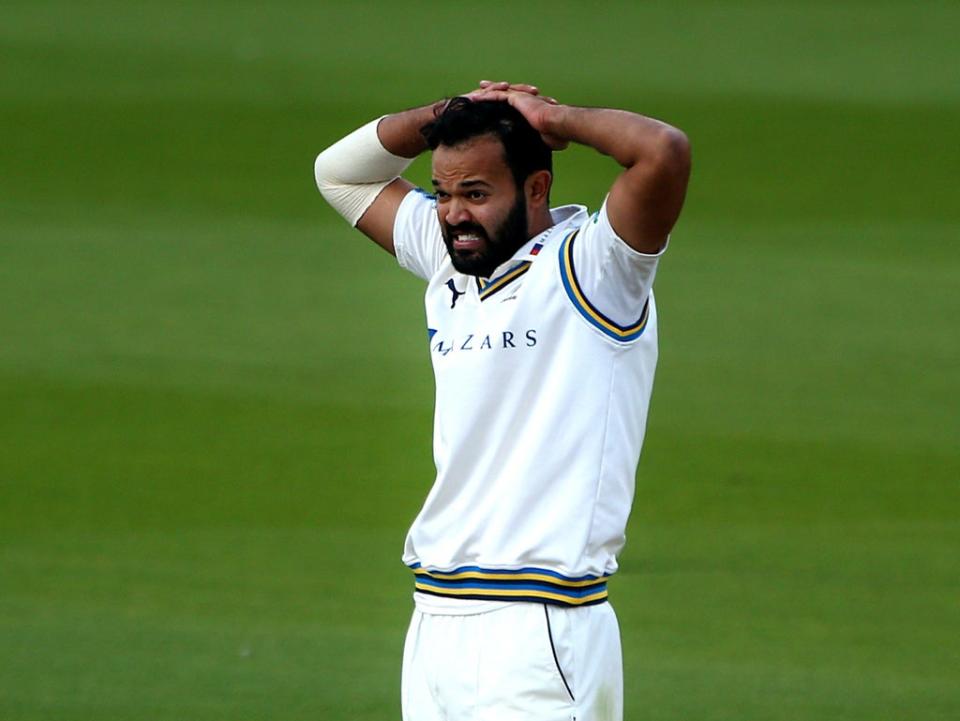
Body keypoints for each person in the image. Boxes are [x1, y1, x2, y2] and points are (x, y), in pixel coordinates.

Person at [314, 81, 691, 721]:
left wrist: (549, 117)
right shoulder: (451, 262)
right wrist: (452, 113)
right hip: (435, 620)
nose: (455, 213)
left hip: (539, 630)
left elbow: (662, 151)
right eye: (444, 194)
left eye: (477, 194)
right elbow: (340, 174)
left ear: (536, 189)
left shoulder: (596, 269)